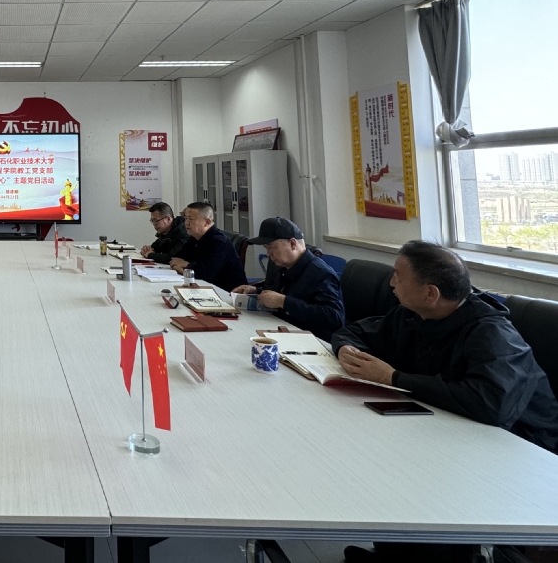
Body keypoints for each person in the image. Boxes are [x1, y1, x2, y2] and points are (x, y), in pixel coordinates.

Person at [332, 241, 558, 563]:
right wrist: (346, 349)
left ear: (431, 293)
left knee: (412, 465)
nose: (391, 283)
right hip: (451, 427)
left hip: (519, 448)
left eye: (398, 276)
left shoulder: (492, 333)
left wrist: (394, 378)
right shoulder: (414, 315)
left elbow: (489, 405)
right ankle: (398, 551)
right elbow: (355, 331)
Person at [232, 217, 344, 341]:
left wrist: (284, 302)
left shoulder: (321, 273)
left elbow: (335, 319)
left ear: (292, 244)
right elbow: (279, 294)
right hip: (281, 329)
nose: (268, 253)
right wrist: (256, 291)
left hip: (311, 341)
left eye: (271, 247)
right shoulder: (284, 265)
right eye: (266, 248)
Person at [168, 201, 246, 291]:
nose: (186, 223)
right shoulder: (195, 236)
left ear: (207, 222)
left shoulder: (219, 242)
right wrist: (182, 266)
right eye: (185, 218)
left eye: (191, 219)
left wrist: (186, 265)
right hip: (203, 286)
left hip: (228, 292)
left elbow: (205, 272)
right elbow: (176, 259)